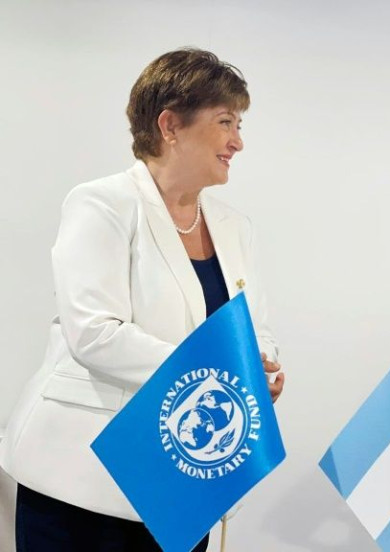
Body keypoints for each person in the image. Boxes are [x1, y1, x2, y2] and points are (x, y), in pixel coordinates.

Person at [0, 48, 284, 551]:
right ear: (170, 124)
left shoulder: (237, 229)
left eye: (240, 125)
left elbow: (253, 328)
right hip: (84, 483)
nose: (238, 142)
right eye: (225, 122)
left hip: (184, 483)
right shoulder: (100, 203)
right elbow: (95, 333)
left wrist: (261, 367)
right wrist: (220, 373)